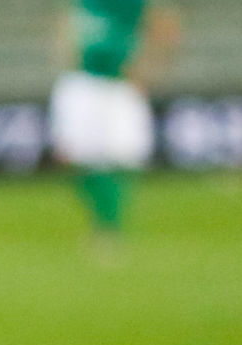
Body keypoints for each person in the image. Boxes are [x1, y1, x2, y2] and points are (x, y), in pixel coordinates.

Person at [50, 0, 183, 244]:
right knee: (74, 155)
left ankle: (109, 226)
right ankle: (104, 223)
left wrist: (147, 71)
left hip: (118, 85)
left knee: (122, 157)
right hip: (83, 82)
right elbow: (66, 26)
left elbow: (164, 27)